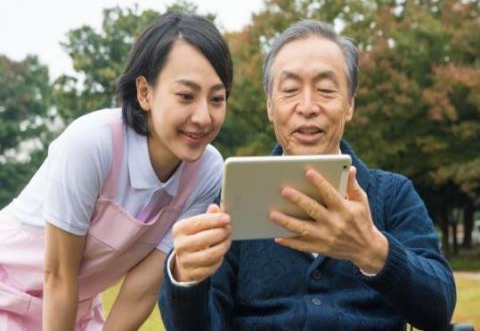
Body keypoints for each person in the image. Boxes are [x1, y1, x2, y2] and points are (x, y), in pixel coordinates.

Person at [159, 20, 456, 331]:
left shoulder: (393, 194)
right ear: (271, 107)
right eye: (289, 91)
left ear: (350, 105)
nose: (308, 106)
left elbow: (439, 307)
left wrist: (371, 249)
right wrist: (184, 276)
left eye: (326, 90)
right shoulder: (232, 200)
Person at [0, 12, 233, 331]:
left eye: (217, 98)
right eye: (186, 96)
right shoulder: (92, 142)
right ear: (145, 92)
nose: (203, 116)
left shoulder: (207, 171)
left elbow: (143, 288)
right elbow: (58, 275)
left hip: (76, 309)